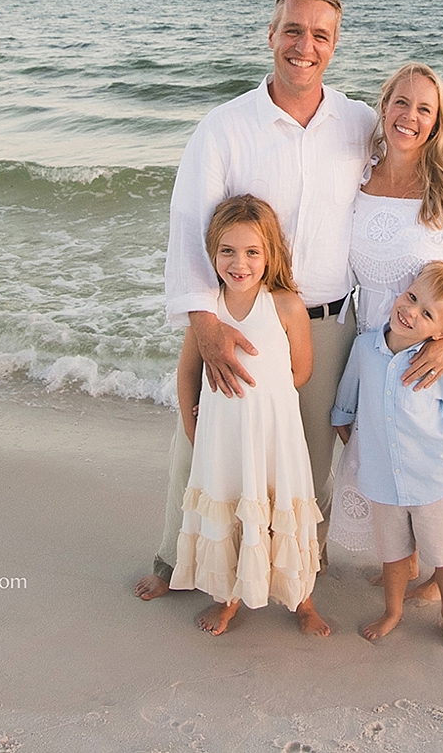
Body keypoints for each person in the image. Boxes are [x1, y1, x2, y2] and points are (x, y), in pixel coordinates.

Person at [133, 0, 376, 639]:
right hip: (236, 321)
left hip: (323, 322)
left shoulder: (357, 122)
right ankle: (175, 557)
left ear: (334, 44)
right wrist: (205, 326)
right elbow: (190, 226)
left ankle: (294, 569)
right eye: (292, 30)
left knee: (307, 457)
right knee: (203, 444)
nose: (305, 45)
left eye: (320, 34)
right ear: (271, 35)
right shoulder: (224, 127)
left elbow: (416, 163)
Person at [329, 63, 443, 587]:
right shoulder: (359, 174)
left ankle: (439, 575)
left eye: (423, 109)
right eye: (400, 103)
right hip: (375, 347)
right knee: (383, 453)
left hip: (437, 350)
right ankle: (400, 560)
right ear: (383, 107)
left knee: (438, 459)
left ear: (437, 121)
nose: (409, 116)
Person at [169, 195, 321, 635]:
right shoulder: (207, 310)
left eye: (253, 252)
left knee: (281, 509)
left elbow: (301, 370)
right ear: (212, 253)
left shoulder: (286, 305)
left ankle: (303, 601)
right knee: (231, 508)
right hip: (223, 435)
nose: (240, 263)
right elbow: (187, 374)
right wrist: (195, 423)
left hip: (274, 433)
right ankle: (229, 599)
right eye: (228, 251)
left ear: (270, 253)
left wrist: (260, 401)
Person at [331, 261, 443, 648]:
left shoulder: (439, 362)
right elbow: (350, 389)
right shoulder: (366, 347)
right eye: (412, 296)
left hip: (434, 476)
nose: (410, 310)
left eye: (426, 312)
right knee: (394, 554)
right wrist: (343, 420)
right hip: (383, 476)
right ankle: (393, 612)